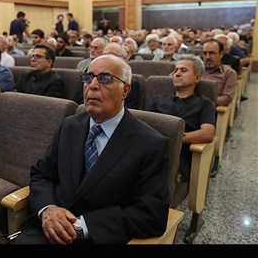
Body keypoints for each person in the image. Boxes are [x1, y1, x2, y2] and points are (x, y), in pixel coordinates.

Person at [12, 55, 170, 244]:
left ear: (125, 90)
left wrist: (83, 226)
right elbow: (41, 174)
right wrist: (47, 208)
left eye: (104, 79)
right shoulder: (69, 126)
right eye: (88, 78)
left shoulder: (151, 144)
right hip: (49, 229)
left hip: (99, 236)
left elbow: (151, 215)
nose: (92, 85)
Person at [146, 54, 216, 183]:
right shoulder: (158, 99)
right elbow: (143, 125)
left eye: (183, 70)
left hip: (179, 156)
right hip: (151, 150)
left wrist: (177, 138)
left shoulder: (204, 104)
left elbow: (208, 133)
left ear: (197, 77)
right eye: (176, 70)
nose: (177, 74)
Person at [201, 39, 238, 106]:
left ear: (221, 54)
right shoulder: (196, 70)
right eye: (204, 53)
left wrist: (201, 102)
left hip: (211, 110)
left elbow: (227, 98)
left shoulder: (229, 73)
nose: (207, 57)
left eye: (211, 53)